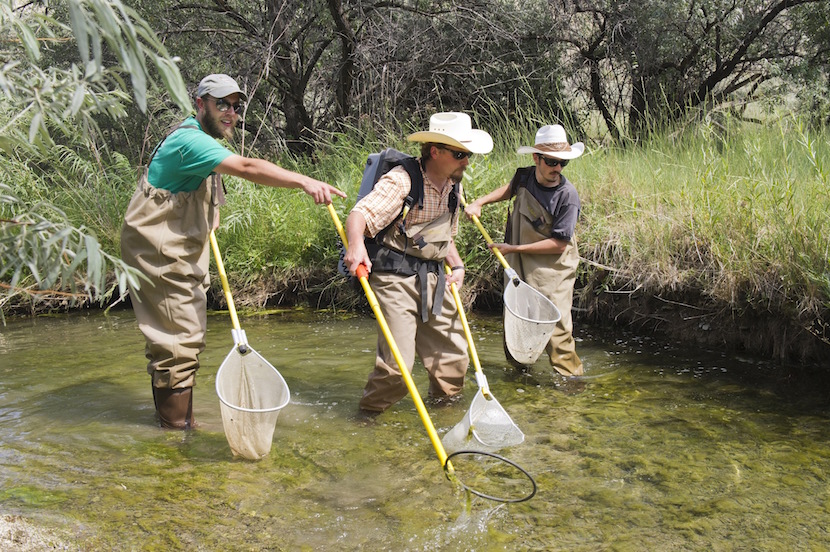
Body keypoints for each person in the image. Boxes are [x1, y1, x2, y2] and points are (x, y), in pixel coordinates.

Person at [121, 74, 346, 429]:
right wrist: (304, 180)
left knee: (182, 337)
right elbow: (245, 166)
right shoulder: (190, 141)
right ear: (200, 104)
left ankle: (176, 424)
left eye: (236, 106)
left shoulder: (200, 139)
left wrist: (211, 212)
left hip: (176, 248)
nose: (230, 112)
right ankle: (177, 434)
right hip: (159, 252)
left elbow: (199, 185)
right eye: (221, 104)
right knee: (179, 342)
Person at [342, 112, 493, 414]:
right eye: (460, 154)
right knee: (397, 370)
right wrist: (356, 245)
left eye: (468, 154)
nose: (466, 161)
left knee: (453, 362)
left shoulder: (454, 185)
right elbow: (360, 215)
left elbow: (443, 237)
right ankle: (367, 418)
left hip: (435, 278)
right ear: (435, 151)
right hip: (393, 278)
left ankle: (444, 416)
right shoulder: (401, 180)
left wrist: (459, 266)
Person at [465, 124, 584, 376]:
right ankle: (520, 376)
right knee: (516, 323)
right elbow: (509, 190)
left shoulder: (567, 196)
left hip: (552, 274)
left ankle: (572, 384)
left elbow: (559, 244)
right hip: (518, 266)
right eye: (552, 162)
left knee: (558, 332)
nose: (557, 169)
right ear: (536, 158)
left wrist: (513, 247)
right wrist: (479, 202)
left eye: (563, 163)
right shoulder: (524, 176)